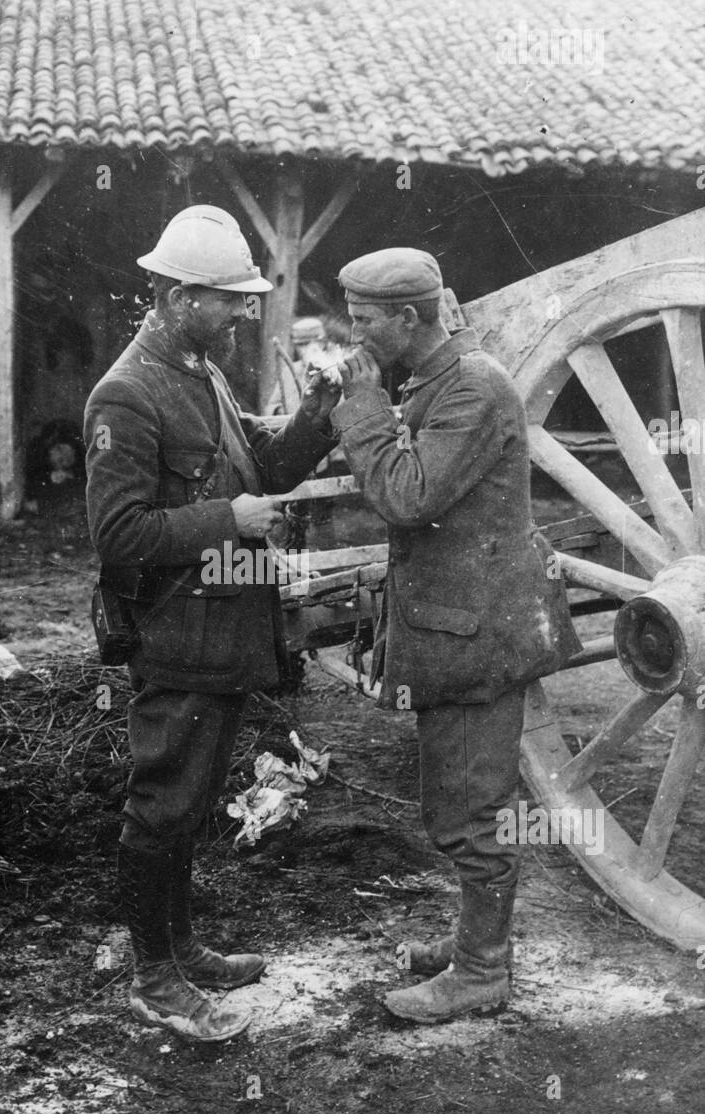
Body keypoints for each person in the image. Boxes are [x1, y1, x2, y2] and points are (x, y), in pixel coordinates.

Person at [84, 205, 340, 1043]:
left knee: (189, 803)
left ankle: (184, 948)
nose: (242, 312)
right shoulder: (127, 393)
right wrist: (227, 519)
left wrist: (319, 415)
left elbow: (257, 465)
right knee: (160, 806)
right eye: (228, 298)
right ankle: (153, 976)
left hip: (224, 629)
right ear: (177, 295)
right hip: (175, 634)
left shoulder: (202, 368)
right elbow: (118, 537)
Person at [329, 248, 580, 1024]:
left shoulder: (473, 386)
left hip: (478, 635)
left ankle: (481, 971)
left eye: (365, 321)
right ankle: (475, 940)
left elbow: (409, 496)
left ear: (409, 319)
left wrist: (362, 410)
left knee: (471, 807)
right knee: (461, 795)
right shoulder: (442, 378)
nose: (355, 335)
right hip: (461, 625)